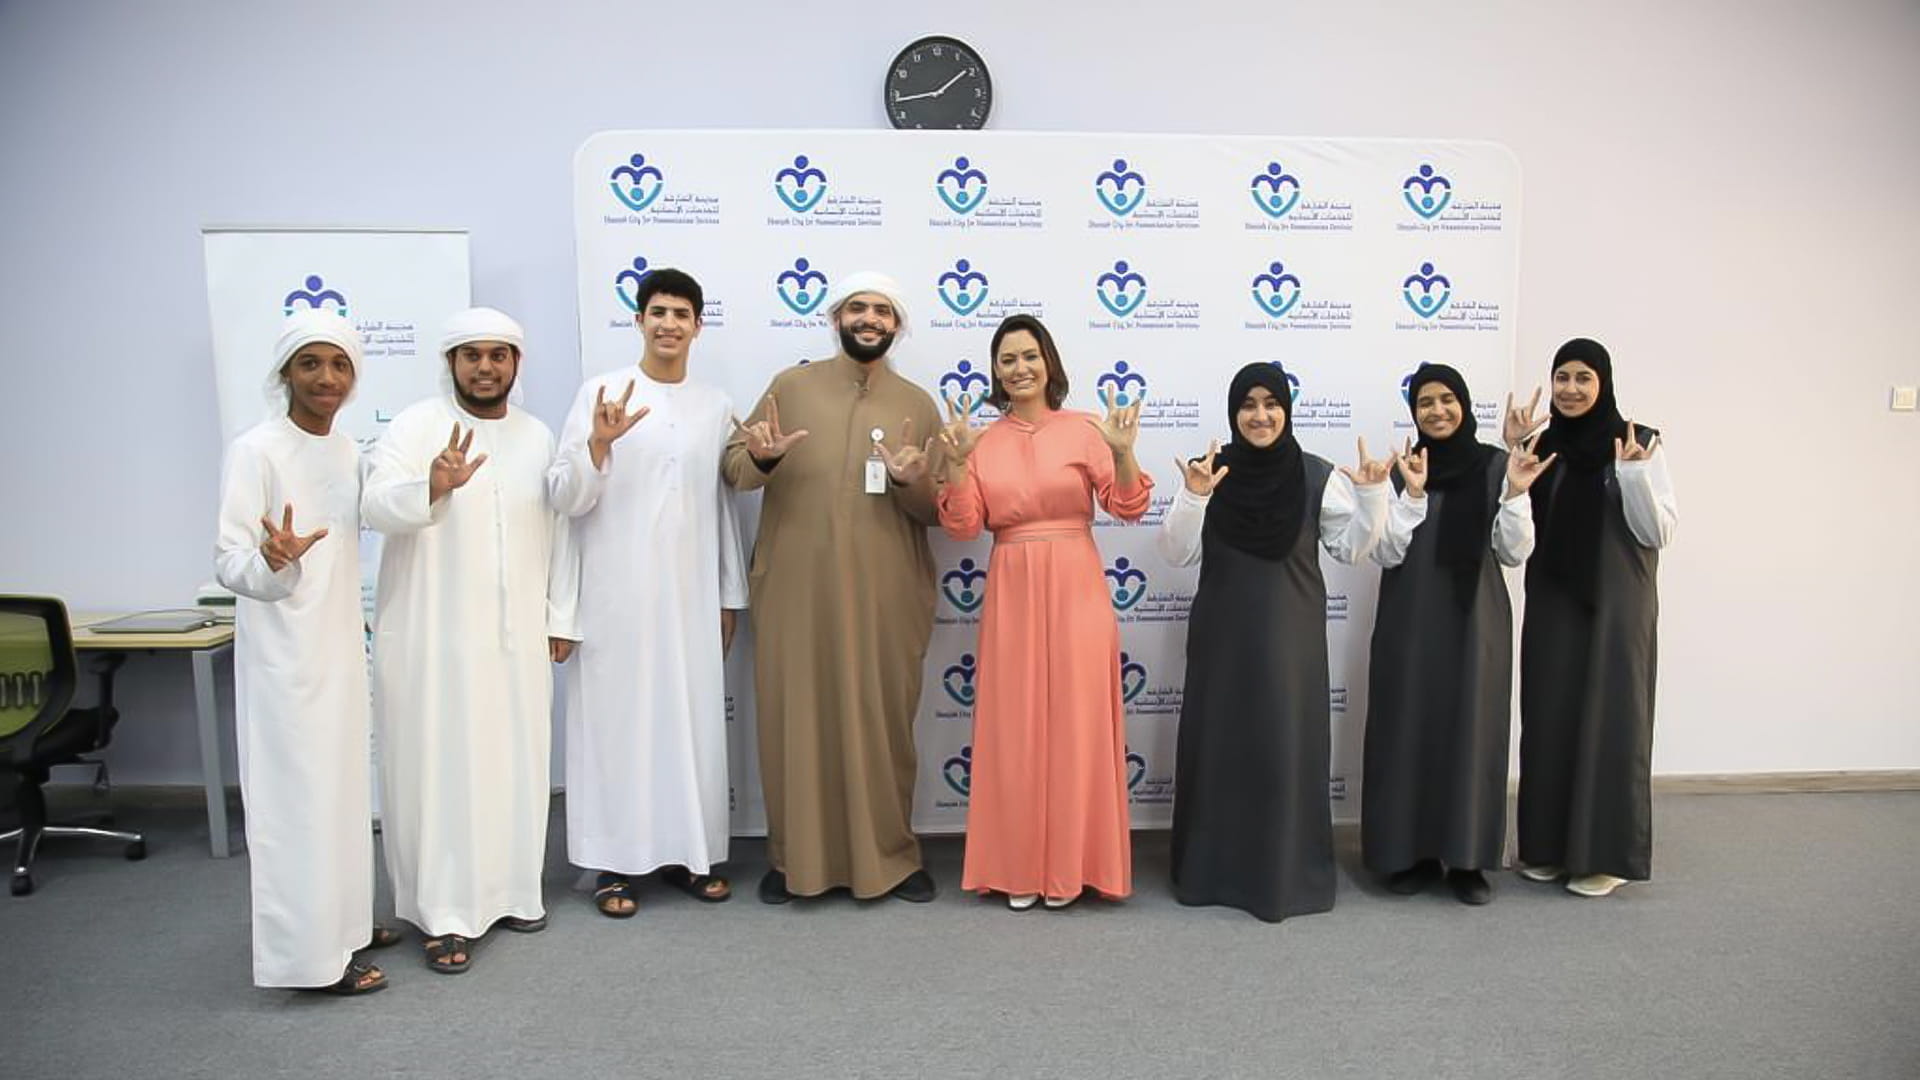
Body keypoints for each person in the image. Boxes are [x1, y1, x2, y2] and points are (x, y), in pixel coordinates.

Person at [362, 307, 579, 973]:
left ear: (516, 363)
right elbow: (374, 505)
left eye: (498, 355)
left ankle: (512, 893)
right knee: (438, 772)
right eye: (472, 355)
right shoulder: (414, 427)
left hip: (515, 638)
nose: (485, 367)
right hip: (432, 638)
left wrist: (560, 616)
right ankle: (443, 914)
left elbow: (561, 532)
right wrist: (430, 487)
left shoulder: (537, 435)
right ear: (451, 362)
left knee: (514, 763)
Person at [722, 271, 942, 904]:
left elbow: (938, 511)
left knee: (882, 723)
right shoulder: (790, 388)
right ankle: (795, 859)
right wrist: (762, 457)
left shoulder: (917, 404)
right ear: (836, 318)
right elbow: (735, 470)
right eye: (857, 308)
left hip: (885, 593)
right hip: (797, 587)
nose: (869, 319)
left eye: (882, 311)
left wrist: (910, 481)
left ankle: (891, 857)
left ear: (897, 326)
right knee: (796, 720)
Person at [1156, 362, 1391, 922]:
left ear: (1287, 410)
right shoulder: (1212, 472)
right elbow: (1177, 552)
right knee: (1221, 749)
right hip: (1222, 640)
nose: (1259, 416)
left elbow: (1352, 549)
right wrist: (1193, 497)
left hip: (1291, 642)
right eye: (1247, 405)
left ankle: (1284, 877)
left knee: (1284, 750)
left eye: (1271, 404)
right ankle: (1213, 874)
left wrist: (1374, 495)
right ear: (1233, 413)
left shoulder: (1316, 476)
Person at [935, 314, 1153, 910]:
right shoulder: (981, 441)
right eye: (1007, 359)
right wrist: (955, 466)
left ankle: (1074, 866)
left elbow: (1128, 506)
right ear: (995, 372)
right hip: (1012, 585)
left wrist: (1123, 454)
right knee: (1015, 727)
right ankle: (1019, 868)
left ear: (1049, 363)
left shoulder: (1085, 430)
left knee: (1078, 722)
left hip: (1077, 582)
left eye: (1029, 355)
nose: (1020, 368)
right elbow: (963, 526)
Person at [548, 269, 747, 917]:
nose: (668, 324)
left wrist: (728, 594)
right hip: (616, 595)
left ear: (698, 326)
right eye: (657, 311)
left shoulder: (715, 404)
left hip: (690, 595)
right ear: (638, 320)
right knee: (619, 726)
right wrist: (597, 446)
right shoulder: (600, 393)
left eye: (681, 314)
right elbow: (564, 497)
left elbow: (719, 506)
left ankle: (690, 854)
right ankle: (614, 864)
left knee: (688, 723)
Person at [214, 309, 396, 995]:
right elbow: (230, 562)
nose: (326, 378)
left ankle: (344, 928)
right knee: (297, 808)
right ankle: (309, 961)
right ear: (286, 373)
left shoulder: (348, 451)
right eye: (311, 363)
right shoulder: (256, 450)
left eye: (339, 365)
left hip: (340, 653)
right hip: (283, 662)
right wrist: (272, 560)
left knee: (342, 798)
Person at [1361, 363, 1551, 905]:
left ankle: (1468, 860)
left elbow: (1513, 552)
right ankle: (1410, 853)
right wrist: (1410, 496)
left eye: (1447, 399)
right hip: (1410, 620)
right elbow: (1385, 552)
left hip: (1475, 622)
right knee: (1408, 728)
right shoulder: (1404, 468)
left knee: (1472, 731)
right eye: (1425, 403)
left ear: (1464, 405)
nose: (1437, 410)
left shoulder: (1496, 466)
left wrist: (1515, 494)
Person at [1511, 338, 1676, 897]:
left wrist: (1633, 474)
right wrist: (1513, 449)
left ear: (1604, 382)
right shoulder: (1542, 445)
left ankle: (1606, 855)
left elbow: (1658, 531)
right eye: (1562, 377)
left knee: (1612, 720)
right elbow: (1515, 522)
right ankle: (1549, 848)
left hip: (1617, 604)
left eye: (1583, 377)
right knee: (1550, 718)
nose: (1571, 389)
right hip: (1553, 599)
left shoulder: (1638, 442)